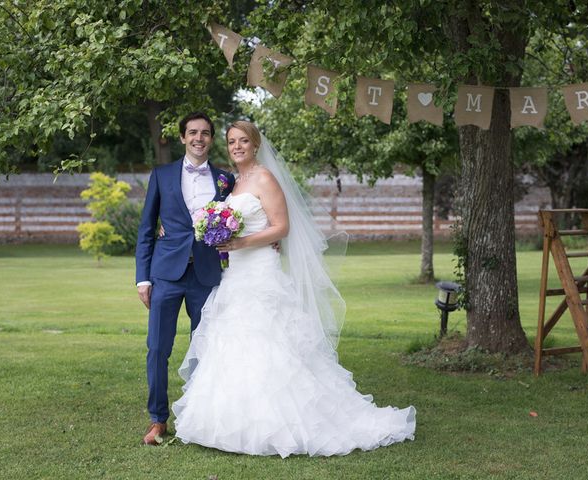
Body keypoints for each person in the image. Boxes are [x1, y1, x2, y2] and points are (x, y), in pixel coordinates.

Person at [172, 121, 415, 457]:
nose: (237, 146)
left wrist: (241, 242)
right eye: (231, 142)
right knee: (234, 345)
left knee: (269, 345)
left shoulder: (264, 178)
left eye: (243, 141)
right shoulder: (233, 182)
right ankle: (232, 424)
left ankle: (281, 425)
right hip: (237, 276)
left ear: (256, 145)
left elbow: (281, 227)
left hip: (261, 274)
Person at [135, 112, 235, 445]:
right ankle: (158, 419)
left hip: (206, 275)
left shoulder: (225, 180)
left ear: (211, 139)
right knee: (157, 349)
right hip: (165, 274)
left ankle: (196, 416)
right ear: (182, 137)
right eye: (193, 132)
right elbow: (147, 229)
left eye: (205, 133)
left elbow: (242, 217)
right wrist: (142, 279)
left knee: (203, 348)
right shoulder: (161, 175)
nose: (199, 138)